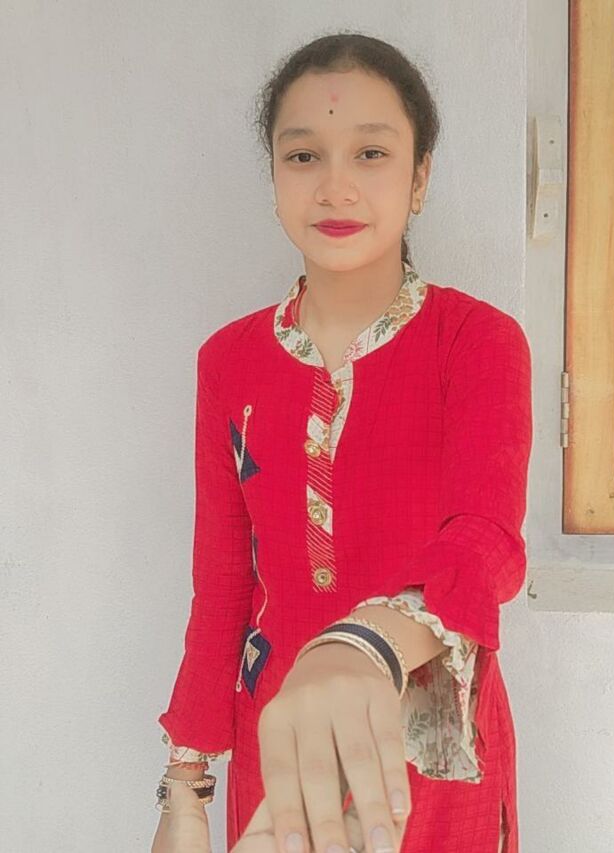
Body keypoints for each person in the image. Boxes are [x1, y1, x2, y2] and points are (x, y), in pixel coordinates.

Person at [151, 32, 532, 853]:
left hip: (432, 754)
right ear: (275, 179)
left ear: (420, 177)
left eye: (370, 152)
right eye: (303, 156)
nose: (334, 185)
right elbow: (222, 586)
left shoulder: (475, 340)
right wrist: (185, 784)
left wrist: (365, 642)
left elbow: (486, 541)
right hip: (279, 749)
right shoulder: (228, 362)